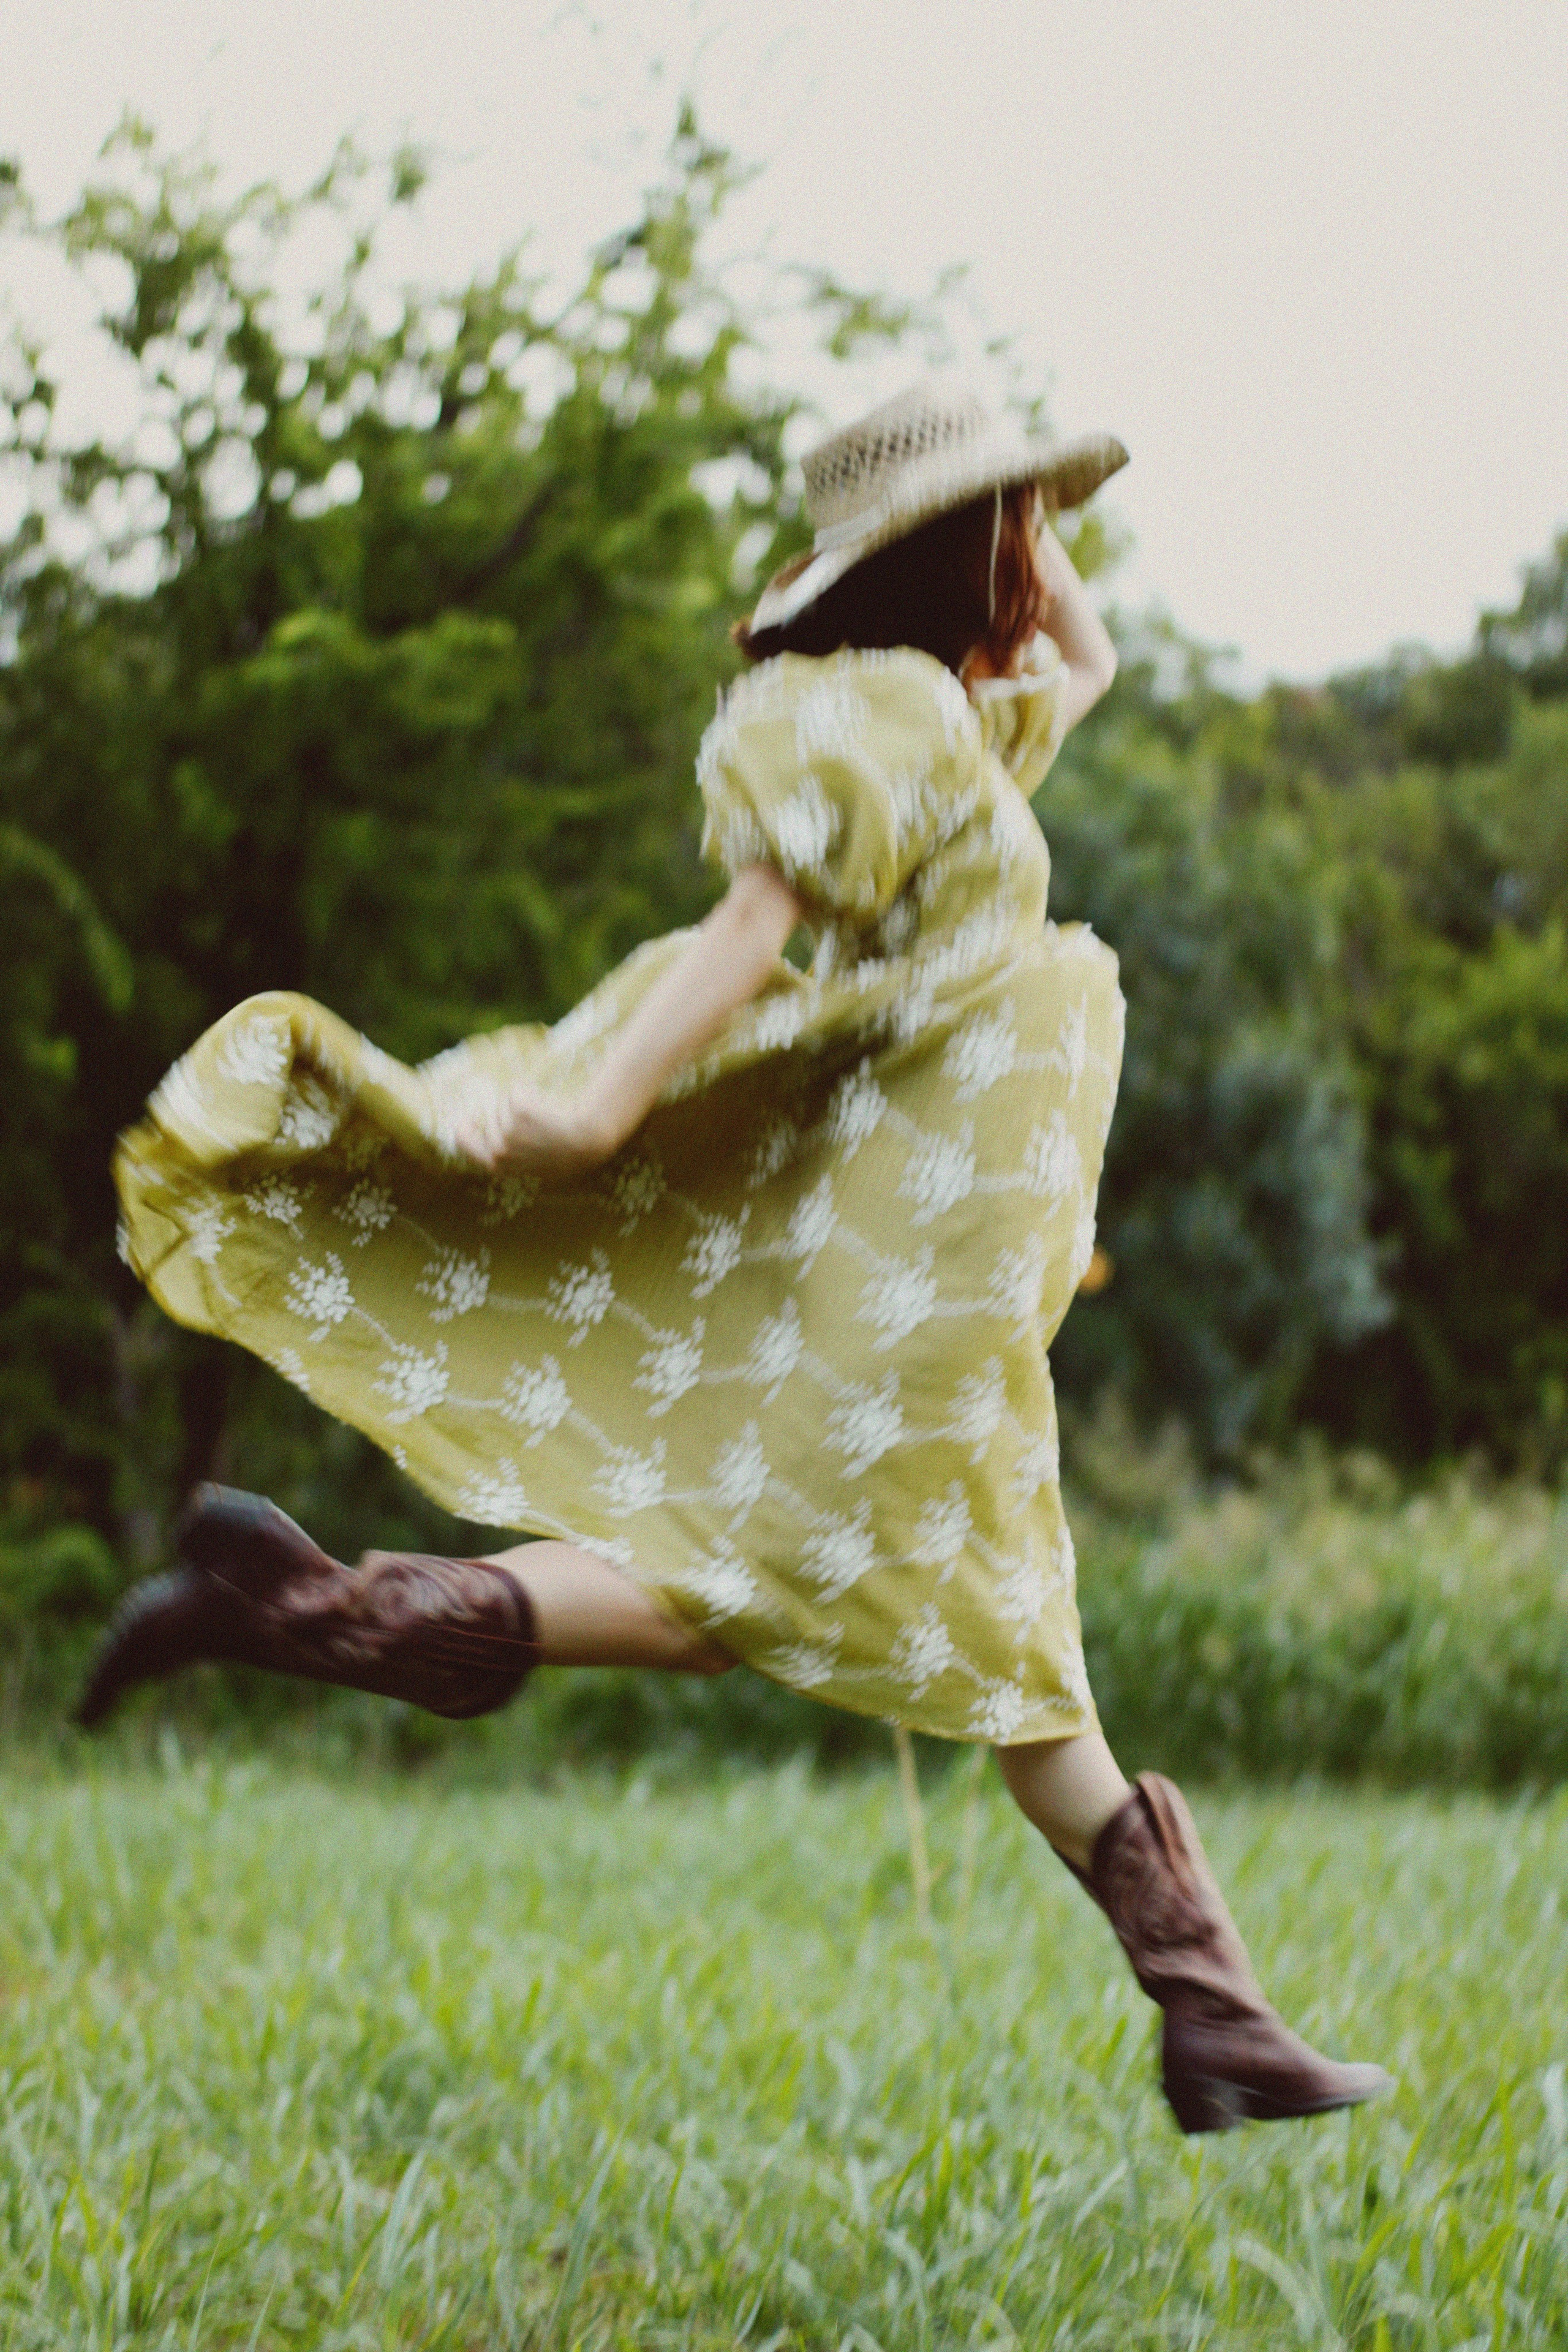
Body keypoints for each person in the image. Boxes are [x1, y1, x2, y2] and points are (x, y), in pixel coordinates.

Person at [79, 376, 1388, 2135]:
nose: (1042, 559)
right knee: (914, 1593)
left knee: (910, 1612)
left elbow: (1088, 666)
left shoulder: (943, 723)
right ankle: (1213, 2015)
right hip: (909, 1231)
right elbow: (745, 930)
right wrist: (608, 1105)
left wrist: (1022, 497)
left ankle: (1217, 2019)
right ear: (953, 548)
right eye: (1017, 528)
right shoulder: (866, 712)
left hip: (952, 1225)